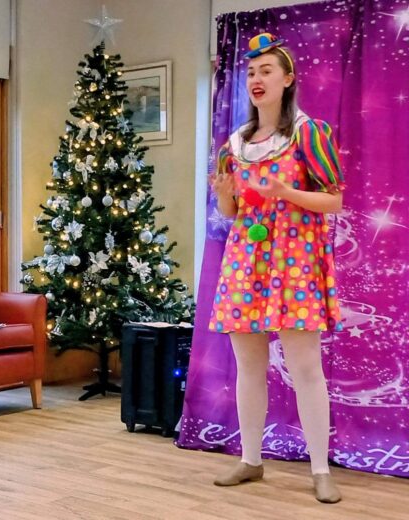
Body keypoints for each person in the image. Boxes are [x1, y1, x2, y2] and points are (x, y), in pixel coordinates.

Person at [209, 33, 345, 504]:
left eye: (266, 70)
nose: (256, 79)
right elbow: (230, 212)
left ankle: (321, 469)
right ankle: (250, 459)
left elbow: (334, 199)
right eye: (250, 72)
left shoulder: (309, 133)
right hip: (246, 262)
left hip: (295, 261)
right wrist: (225, 191)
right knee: (249, 365)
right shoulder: (235, 142)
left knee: (307, 368)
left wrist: (285, 194)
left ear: (287, 80)